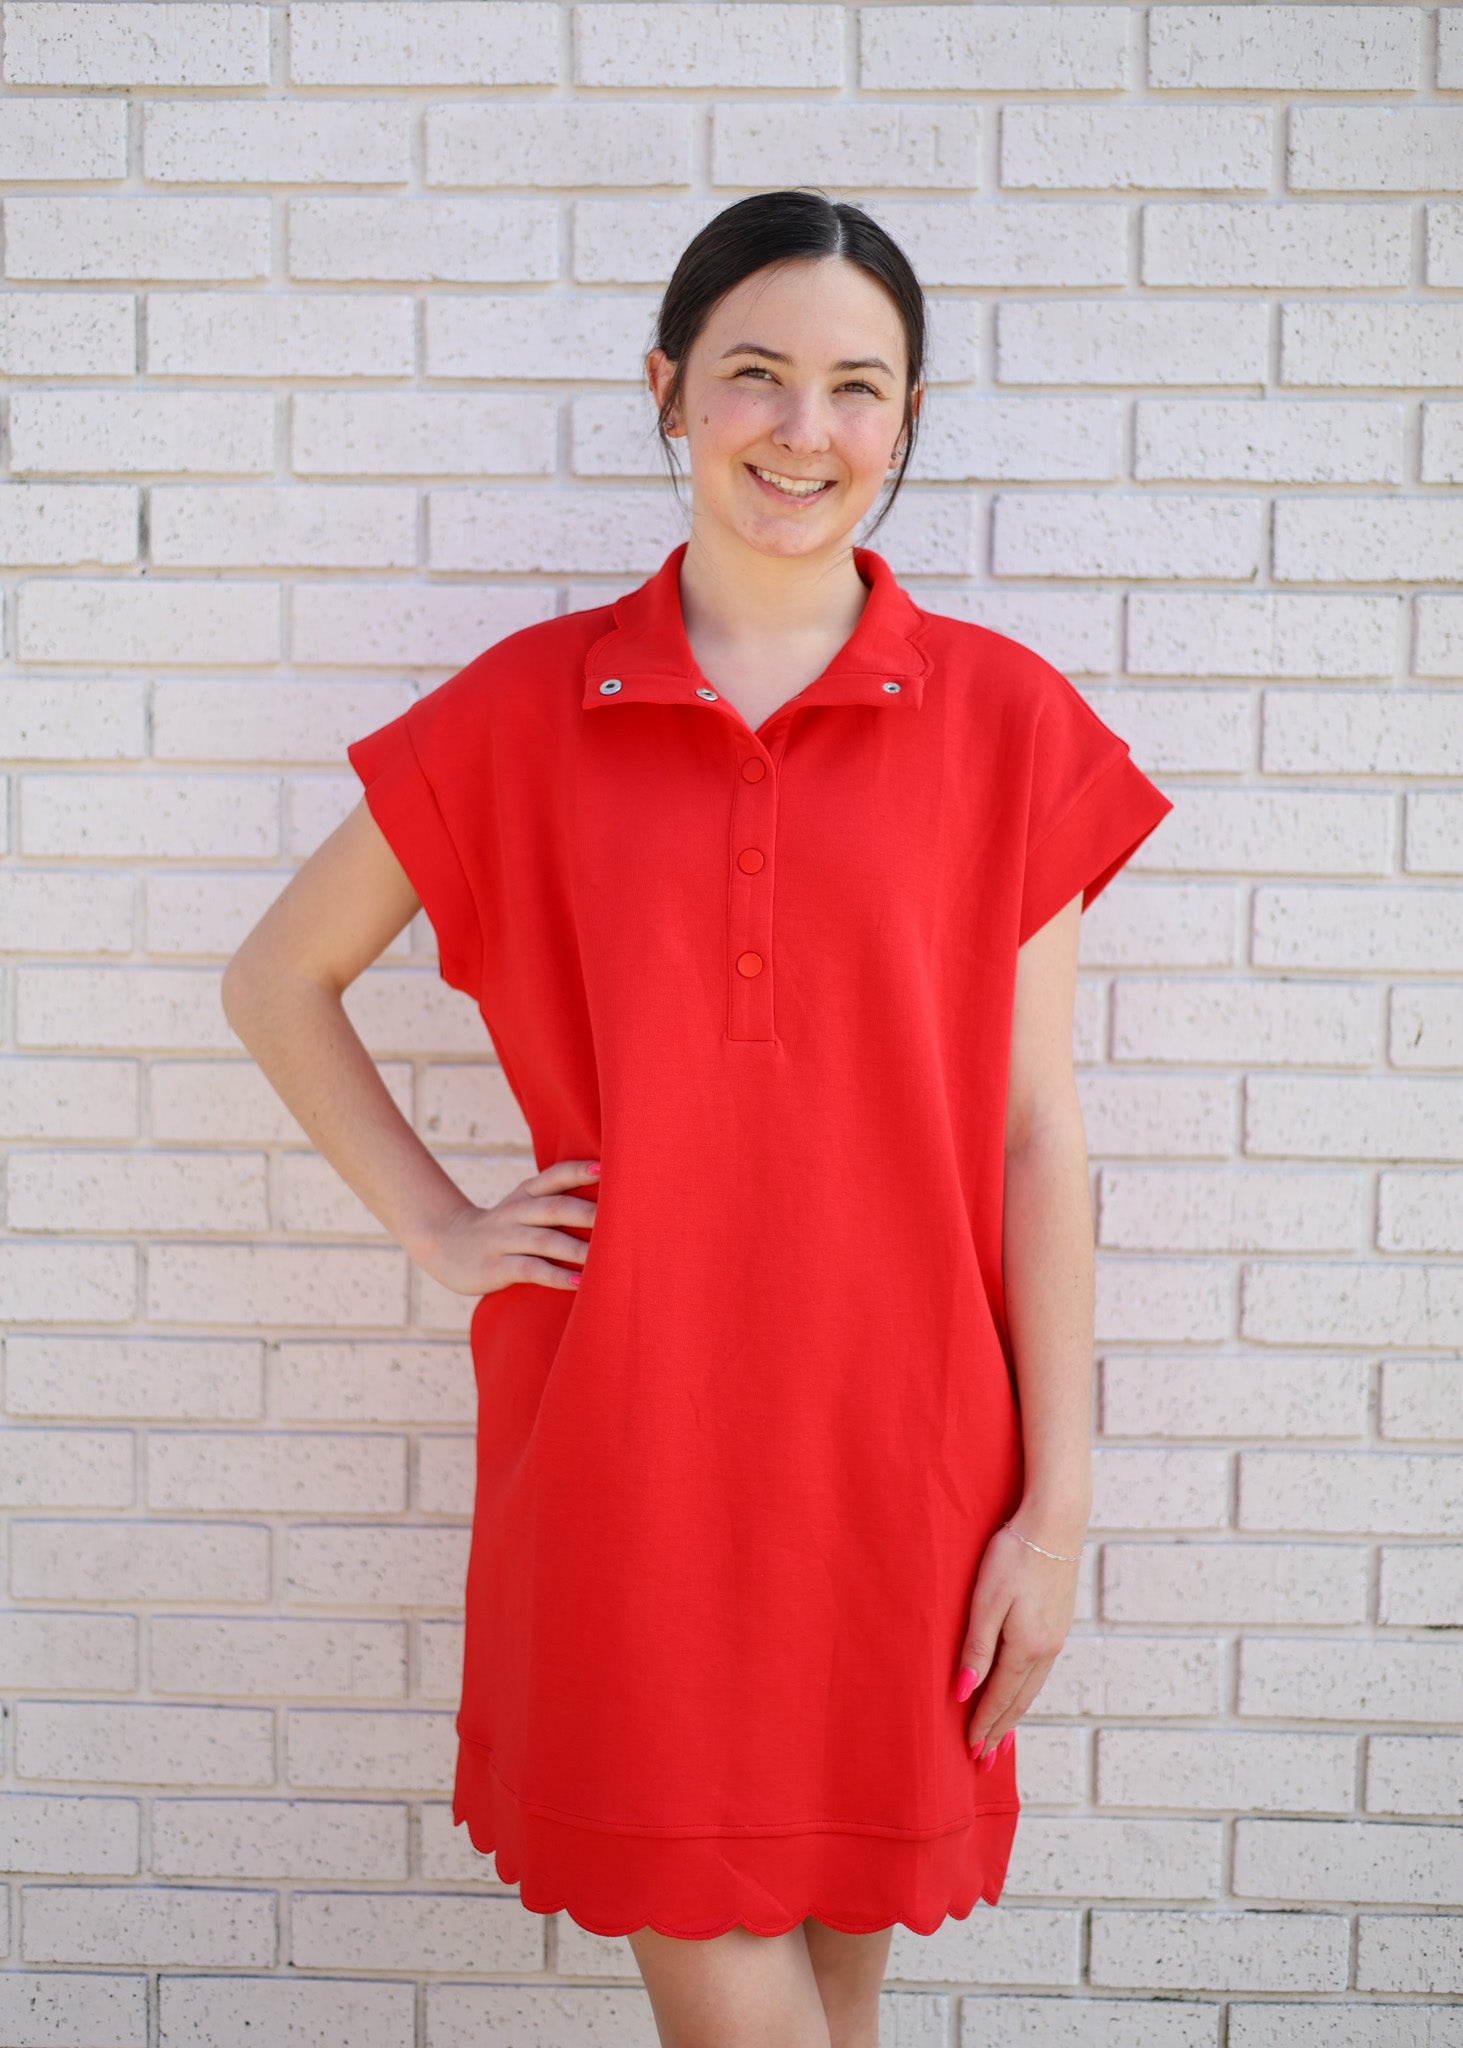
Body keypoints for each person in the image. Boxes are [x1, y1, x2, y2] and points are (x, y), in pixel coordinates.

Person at [221, 188, 1173, 2047]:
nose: (803, 429)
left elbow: (1035, 1140)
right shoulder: (526, 710)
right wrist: (442, 1227)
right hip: (628, 1464)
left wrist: (1054, 1515)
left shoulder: (1006, 722)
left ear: (906, 421)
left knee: (838, 1998)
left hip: (909, 1473)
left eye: (857, 387)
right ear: (666, 390)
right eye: (754, 374)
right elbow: (277, 980)